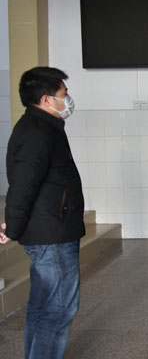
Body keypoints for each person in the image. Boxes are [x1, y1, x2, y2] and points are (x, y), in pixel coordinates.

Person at [1, 67, 85, 358]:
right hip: (52, 234)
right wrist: (13, 226)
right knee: (58, 310)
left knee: (42, 308)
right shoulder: (37, 132)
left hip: (50, 228)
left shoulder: (41, 127)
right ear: (46, 99)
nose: (68, 99)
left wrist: (15, 224)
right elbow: (23, 184)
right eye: (64, 94)